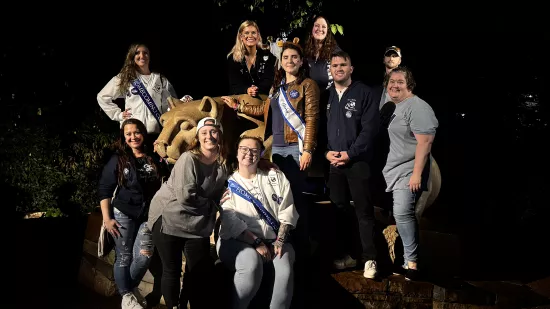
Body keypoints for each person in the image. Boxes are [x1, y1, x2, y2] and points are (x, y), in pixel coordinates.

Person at [221, 40, 319, 309]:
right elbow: (263, 110)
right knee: (279, 193)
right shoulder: (277, 89)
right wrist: (238, 107)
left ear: (301, 61)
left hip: (296, 147)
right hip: (277, 147)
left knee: (295, 199)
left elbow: (311, 117)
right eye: (285, 57)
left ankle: (296, 250)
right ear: (281, 61)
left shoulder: (307, 85)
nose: (289, 61)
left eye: (294, 57)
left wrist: (308, 148)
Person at [146, 117, 229, 309]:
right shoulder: (189, 158)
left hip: (197, 224)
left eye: (214, 131)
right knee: (172, 269)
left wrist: (265, 163)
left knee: (198, 270)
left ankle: (186, 303)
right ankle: (174, 306)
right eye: (204, 132)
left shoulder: (222, 164)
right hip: (169, 218)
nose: (209, 136)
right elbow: (186, 197)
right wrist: (212, 206)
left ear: (220, 135)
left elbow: (222, 190)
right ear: (198, 137)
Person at [217, 136, 299, 309]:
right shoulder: (228, 183)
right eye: (244, 149)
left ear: (261, 154)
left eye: (254, 150)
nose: (249, 153)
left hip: (275, 239)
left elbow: (287, 208)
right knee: (251, 262)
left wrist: (280, 240)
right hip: (238, 241)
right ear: (237, 152)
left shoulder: (275, 176)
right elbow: (230, 220)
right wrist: (256, 242)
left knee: (284, 269)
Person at [98, 118, 169, 309]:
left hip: (148, 214)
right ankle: (128, 297)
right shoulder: (118, 159)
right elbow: (105, 190)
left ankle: (127, 290)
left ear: (143, 133)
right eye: (128, 134)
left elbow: (169, 176)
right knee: (124, 256)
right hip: (123, 213)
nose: (133, 137)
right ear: (123, 137)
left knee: (144, 256)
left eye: (136, 132)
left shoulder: (154, 156)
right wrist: (107, 218)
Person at [324, 50, 380, 279]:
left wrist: (351, 153)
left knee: (364, 212)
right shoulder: (325, 94)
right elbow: (318, 129)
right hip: (334, 163)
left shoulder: (364, 93)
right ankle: (350, 255)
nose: (338, 68)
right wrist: (326, 153)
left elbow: (370, 130)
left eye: (343, 64)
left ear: (351, 68)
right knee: (339, 210)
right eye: (334, 65)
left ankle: (370, 259)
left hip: (357, 162)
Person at [382, 67, 438, 281]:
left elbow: (425, 141)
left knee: (403, 213)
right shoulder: (394, 106)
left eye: (400, 81)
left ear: (410, 84)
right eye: (391, 81)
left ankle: (412, 262)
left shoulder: (418, 106)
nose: (395, 85)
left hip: (410, 169)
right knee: (400, 213)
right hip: (393, 169)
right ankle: (405, 260)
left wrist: (416, 174)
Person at [97, 43, 178, 138]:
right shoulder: (125, 77)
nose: (142, 56)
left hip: (155, 134)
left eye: (145, 53)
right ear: (132, 56)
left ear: (150, 56)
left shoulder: (160, 79)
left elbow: (170, 104)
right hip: (132, 134)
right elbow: (102, 97)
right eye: (137, 53)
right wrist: (118, 115)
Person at [227, 20, 276, 98]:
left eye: (253, 33)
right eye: (246, 33)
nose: (250, 36)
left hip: (263, 100)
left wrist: (256, 89)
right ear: (241, 37)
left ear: (258, 36)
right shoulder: (233, 58)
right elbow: (234, 85)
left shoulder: (268, 56)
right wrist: (247, 90)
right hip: (239, 101)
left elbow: (269, 80)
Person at [304, 15, 341, 92]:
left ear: (327, 31)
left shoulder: (336, 52)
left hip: (331, 99)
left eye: (323, 27)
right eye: (316, 26)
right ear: (312, 28)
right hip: (311, 98)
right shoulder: (306, 51)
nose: (320, 29)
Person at [379, 46, 402, 110]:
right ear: (384, 59)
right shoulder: (375, 82)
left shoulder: (405, 81)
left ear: (400, 61)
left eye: (394, 56)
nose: (391, 58)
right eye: (388, 55)